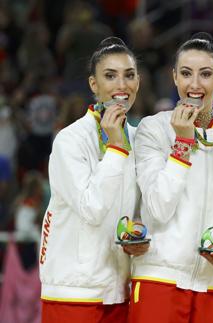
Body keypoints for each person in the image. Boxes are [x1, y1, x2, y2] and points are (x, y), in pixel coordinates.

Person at [39, 37, 147, 323]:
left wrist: (141, 235)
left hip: (119, 289)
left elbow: (138, 211)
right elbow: (93, 208)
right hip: (73, 293)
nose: (121, 85)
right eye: (110, 76)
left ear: (138, 81)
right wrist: (115, 148)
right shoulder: (70, 140)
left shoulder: (139, 138)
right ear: (93, 85)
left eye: (129, 75)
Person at [129, 32, 213, 323]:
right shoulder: (153, 129)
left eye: (205, 74)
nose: (195, 84)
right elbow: (158, 208)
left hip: (212, 283)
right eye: (186, 74)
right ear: (174, 77)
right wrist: (182, 144)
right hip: (158, 280)